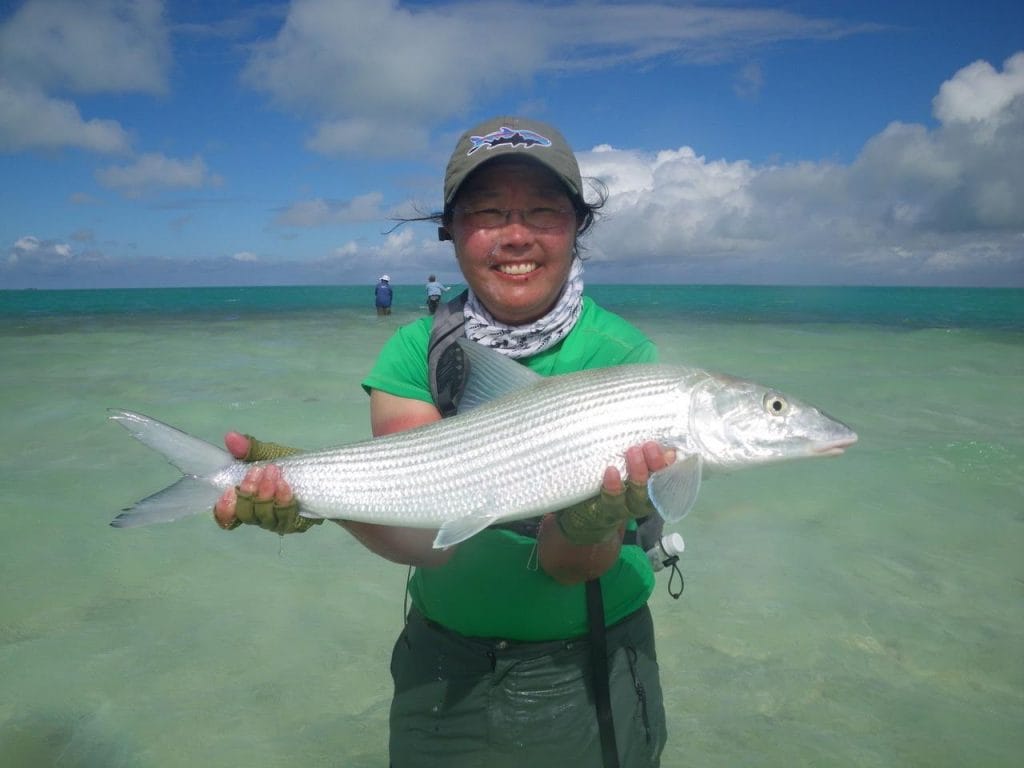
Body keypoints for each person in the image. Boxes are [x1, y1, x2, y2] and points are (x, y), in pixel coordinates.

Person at [213, 116, 672, 767]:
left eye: (544, 212)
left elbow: (570, 567)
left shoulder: (626, 360)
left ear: (577, 228)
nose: (516, 236)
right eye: (488, 213)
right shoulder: (416, 351)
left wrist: (593, 516)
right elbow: (427, 540)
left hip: (590, 660)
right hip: (441, 664)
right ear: (450, 230)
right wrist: (315, 496)